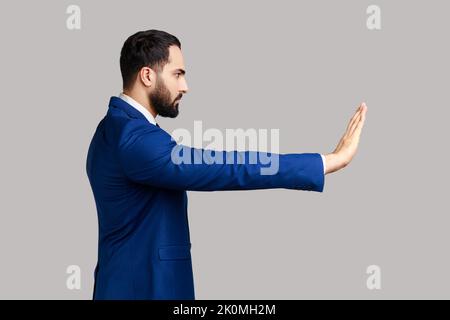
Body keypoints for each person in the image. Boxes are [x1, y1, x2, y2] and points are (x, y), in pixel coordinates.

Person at [86, 29, 368, 300]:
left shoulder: (113, 127)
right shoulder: (134, 138)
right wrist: (326, 162)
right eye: (178, 74)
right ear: (147, 75)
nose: (185, 86)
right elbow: (225, 168)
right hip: (145, 289)